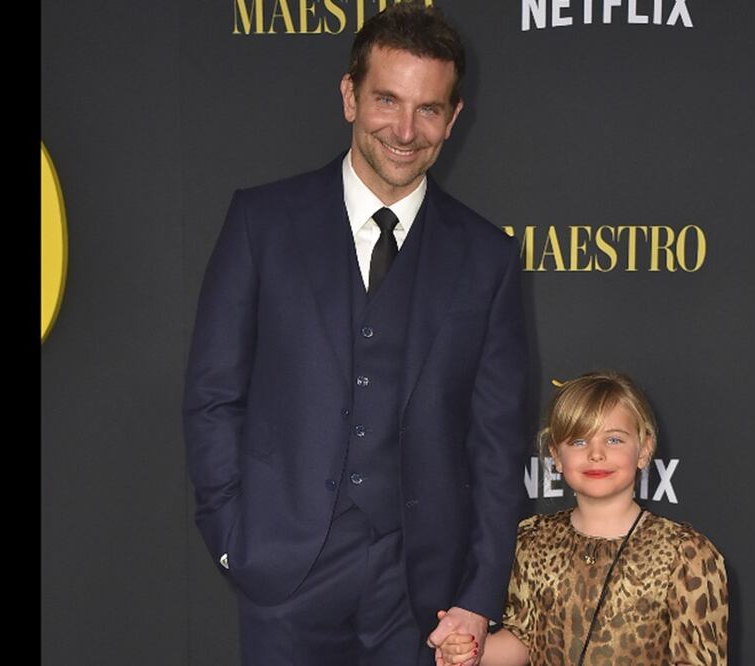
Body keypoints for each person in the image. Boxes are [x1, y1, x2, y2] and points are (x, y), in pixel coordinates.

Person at [182, 3, 528, 664]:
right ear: (349, 96)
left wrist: (479, 596)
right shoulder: (262, 223)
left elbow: (495, 442)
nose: (404, 129)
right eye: (386, 100)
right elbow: (212, 395)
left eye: (428, 109)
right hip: (283, 573)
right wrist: (233, 536)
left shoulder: (487, 258)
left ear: (453, 119)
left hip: (423, 596)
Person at [437, 371, 728, 666]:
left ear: (644, 449)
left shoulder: (685, 553)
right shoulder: (532, 540)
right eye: (578, 442)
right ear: (556, 456)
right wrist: (469, 648)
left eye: (614, 439)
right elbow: (523, 642)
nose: (596, 454)